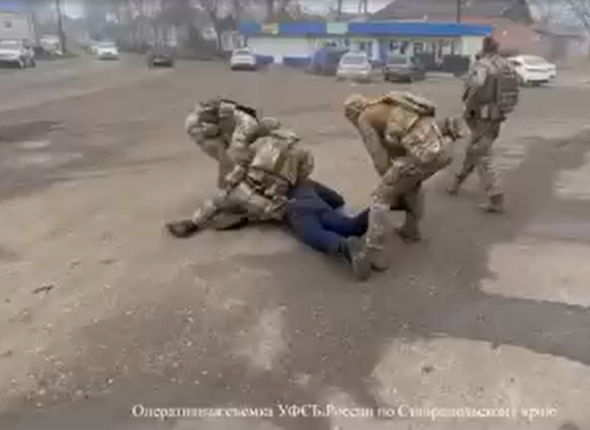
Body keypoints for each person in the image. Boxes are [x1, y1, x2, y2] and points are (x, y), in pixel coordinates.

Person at [343, 91, 465, 278]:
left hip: (425, 155)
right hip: (440, 151)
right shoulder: (389, 105)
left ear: (352, 112)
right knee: (412, 182)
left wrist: (389, 184)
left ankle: (375, 250)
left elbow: (379, 158)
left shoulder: (364, 118)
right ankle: (411, 230)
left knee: (381, 197)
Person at [166, 128, 315, 238]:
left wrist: (229, 183)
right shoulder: (304, 154)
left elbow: (241, 168)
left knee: (215, 202)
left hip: (245, 191)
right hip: (269, 205)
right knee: (267, 211)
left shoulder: (262, 143)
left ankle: (192, 225)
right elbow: (303, 175)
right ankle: (247, 216)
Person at [447, 36, 520, 213]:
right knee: (473, 150)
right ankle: (456, 184)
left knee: (481, 155)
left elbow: (475, 87)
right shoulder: (506, 65)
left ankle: (496, 199)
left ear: (484, 48)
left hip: (481, 116)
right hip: (497, 116)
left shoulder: (483, 65)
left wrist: (467, 105)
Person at [184, 97, 280, 188]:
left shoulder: (243, 129)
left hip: (231, 125)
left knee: (234, 156)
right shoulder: (242, 131)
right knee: (231, 156)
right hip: (209, 126)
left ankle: (234, 180)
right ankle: (231, 182)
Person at [285, 179, 371, 279]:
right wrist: (338, 202)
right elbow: (330, 195)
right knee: (345, 226)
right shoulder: (302, 180)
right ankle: (370, 215)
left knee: (316, 234)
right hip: (315, 201)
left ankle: (344, 246)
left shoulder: (271, 184)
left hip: (295, 208)